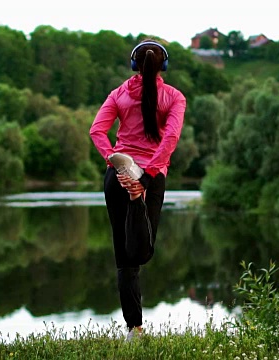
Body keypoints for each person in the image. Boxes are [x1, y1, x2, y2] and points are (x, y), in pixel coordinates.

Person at [89, 38, 186, 341]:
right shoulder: (174, 97)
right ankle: (136, 198)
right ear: (164, 67)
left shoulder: (119, 94)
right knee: (141, 252)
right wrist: (146, 177)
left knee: (125, 259)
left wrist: (110, 158)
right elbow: (170, 139)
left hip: (117, 177)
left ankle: (134, 329)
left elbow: (97, 131)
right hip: (149, 177)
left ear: (133, 65)